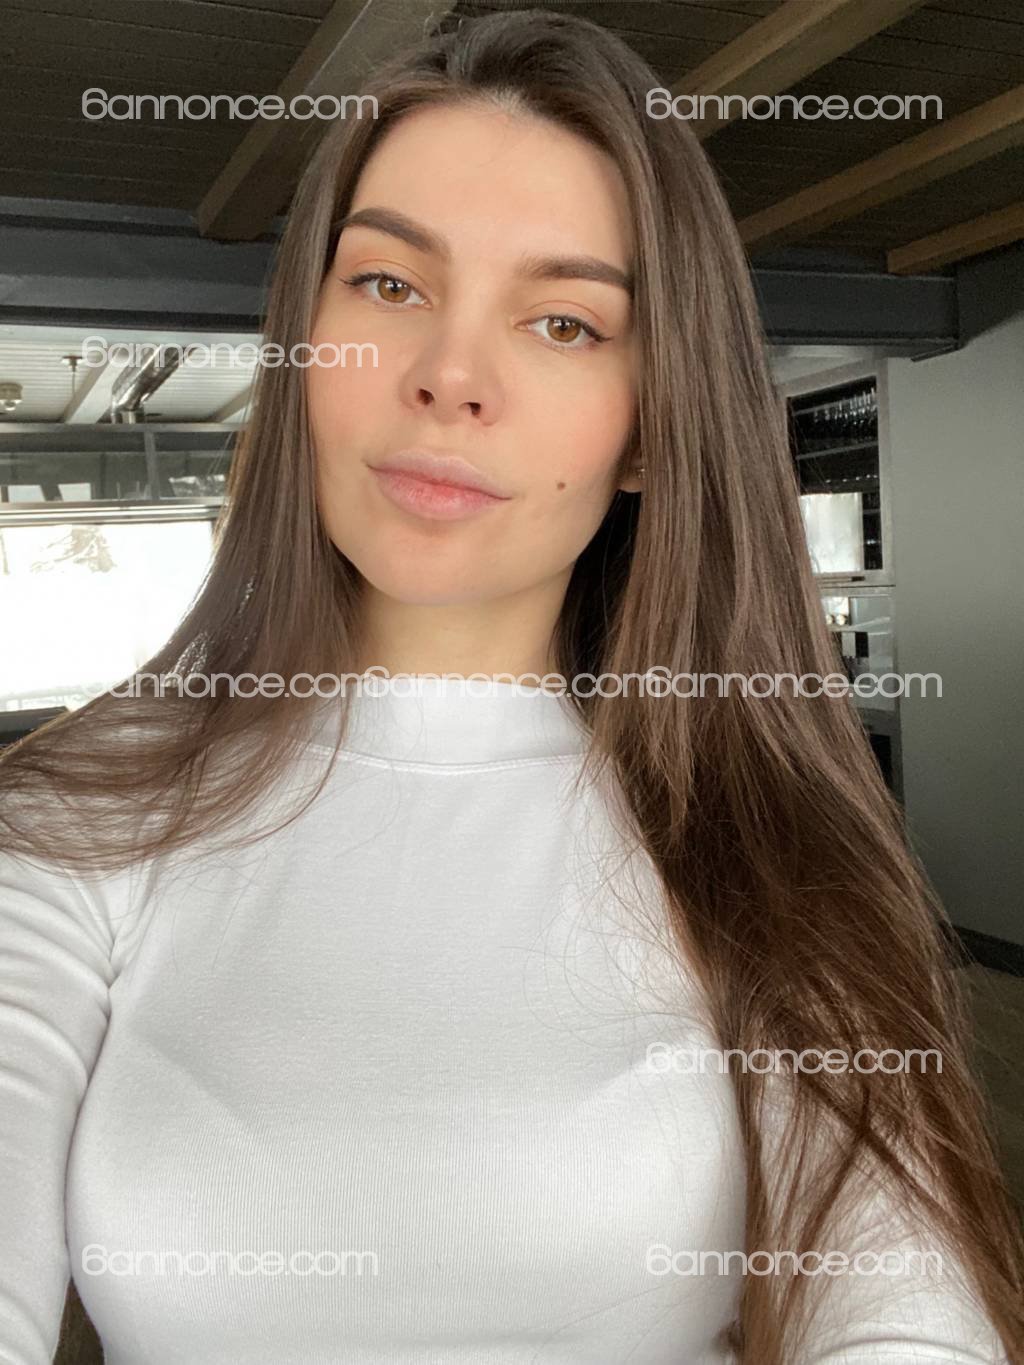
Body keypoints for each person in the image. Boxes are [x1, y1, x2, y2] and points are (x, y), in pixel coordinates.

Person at [1, 9, 1021, 1364]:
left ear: (651, 429)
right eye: (388, 285)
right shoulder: (79, 812)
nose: (449, 378)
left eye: (561, 321)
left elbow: (904, 1314)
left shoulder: (762, 834)